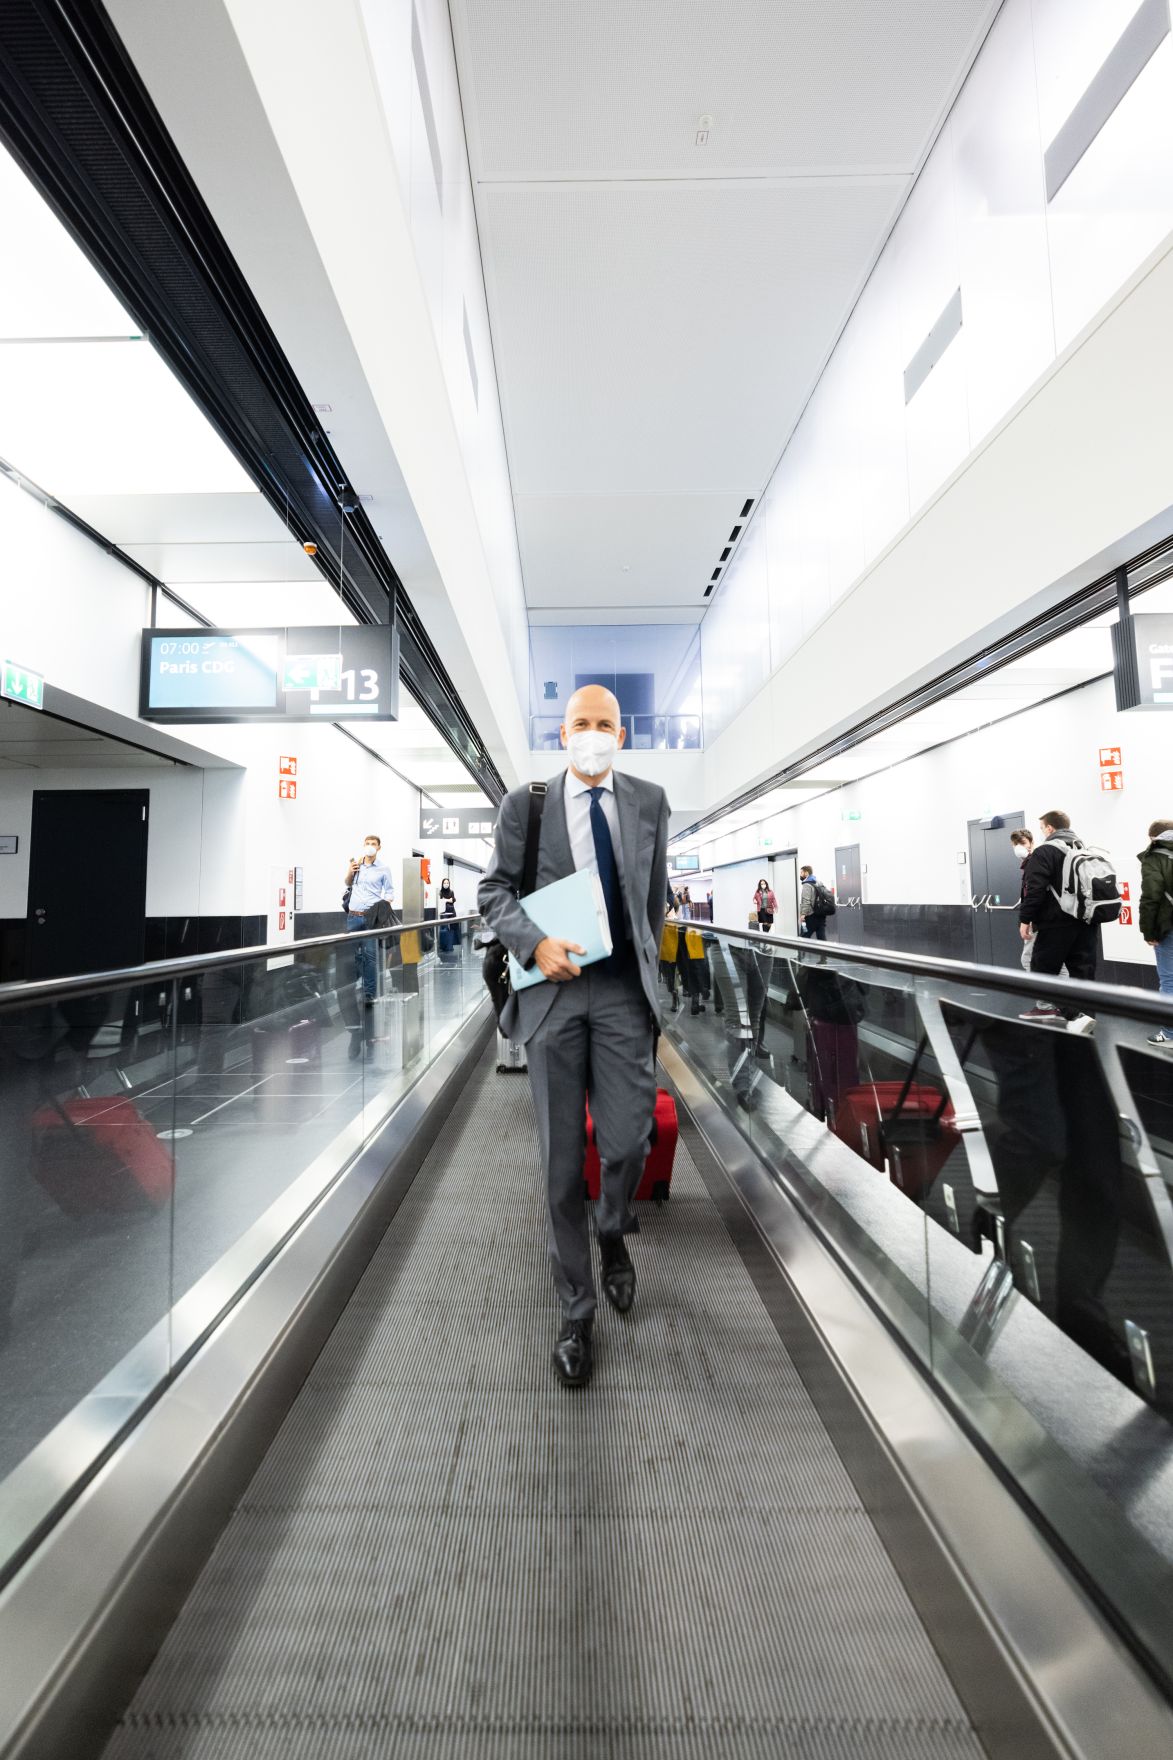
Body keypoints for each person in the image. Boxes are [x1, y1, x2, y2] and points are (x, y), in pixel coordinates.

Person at [478, 683, 670, 1389]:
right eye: (580, 723)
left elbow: (654, 894)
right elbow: (493, 891)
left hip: (622, 992)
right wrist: (533, 945)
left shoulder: (648, 801)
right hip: (554, 995)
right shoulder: (524, 805)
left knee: (626, 1142)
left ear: (621, 733)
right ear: (563, 734)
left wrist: (645, 970)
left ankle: (612, 1228)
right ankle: (575, 1309)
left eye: (604, 724)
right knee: (561, 1163)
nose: (592, 733)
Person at [1018, 811, 1095, 1031]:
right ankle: (1087, 1018)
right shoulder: (1083, 848)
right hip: (1086, 921)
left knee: (1042, 971)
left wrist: (1025, 919)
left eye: (1042, 828)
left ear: (1050, 828)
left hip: (1056, 923)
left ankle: (1073, 1014)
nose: (1042, 832)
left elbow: (1034, 890)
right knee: (1083, 974)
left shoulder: (1045, 851)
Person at [343, 836, 395, 1051]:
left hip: (371, 918)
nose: (370, 847)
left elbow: (390, 892)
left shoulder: (384, 869)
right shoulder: (356, 865)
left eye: (374, 844)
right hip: (353, 917)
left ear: (379, 847)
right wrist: (350, 870)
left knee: (371, 957)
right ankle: (351, 988)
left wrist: (382, 907)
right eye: (368, 843)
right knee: (352, 957)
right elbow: (347, 884)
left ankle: (370, 995)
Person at [1138, 818, 1173, 1045]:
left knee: (1169, 981)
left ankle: (1170, 1034)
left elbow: (1151, 897)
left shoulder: (1155, 856)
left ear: (1153, 837)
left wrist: (1148, 931)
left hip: (1168, 926)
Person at [799, 865, 828, 940]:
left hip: (811, 915)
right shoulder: (819, 882)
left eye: (801, 872)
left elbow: (806, 901)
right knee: (822, 938)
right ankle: (825, 951)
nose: (800, 874)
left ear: (806, 873)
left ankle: (801, 951)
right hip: (821, 914)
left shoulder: (807, 885)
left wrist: (803, 914)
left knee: (804, 937)